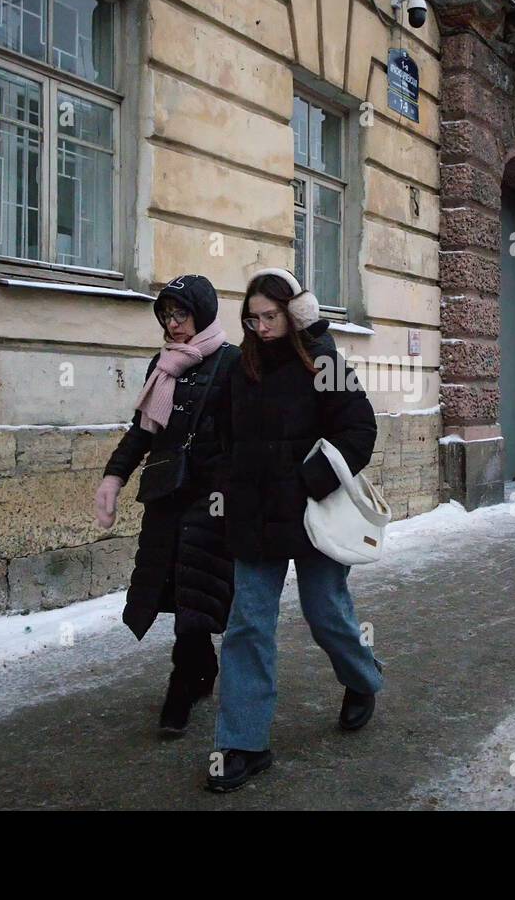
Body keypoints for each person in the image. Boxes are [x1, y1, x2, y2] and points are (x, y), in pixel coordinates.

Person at [206, 269, 383, 792]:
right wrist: (225, 483)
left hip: (313, 512)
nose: (260, 327)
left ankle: (362, 679)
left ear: (292, 314)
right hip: (254, 518)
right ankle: (242, 742)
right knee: (247, 624)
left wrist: (308, 482)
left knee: (325, 613)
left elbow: (359, 430)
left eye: (270, 316)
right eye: (252, 318)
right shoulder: (240, 369)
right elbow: (220, 437)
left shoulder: (322, 362)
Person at [95, 274, 240, 734]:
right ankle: (203, 670)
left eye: (181, 314)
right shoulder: (162, 365)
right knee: (171, 588)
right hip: (166, 492)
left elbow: (245, 436)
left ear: (203, 313)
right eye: (166, 315)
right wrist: (114, 476)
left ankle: (183, 683)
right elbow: (143, 431)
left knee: (195, 591)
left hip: (212, 497)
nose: (173, 324)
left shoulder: (233, 362)